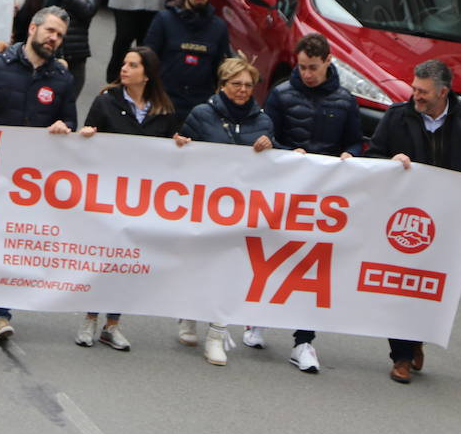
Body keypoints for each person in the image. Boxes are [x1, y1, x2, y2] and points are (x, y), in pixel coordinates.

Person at [356, 58, 461, 383]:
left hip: (447, 220)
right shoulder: (397, 116)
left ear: (444, 92)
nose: (416, 95)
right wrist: (391, 160)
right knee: (401, 284)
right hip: (404, 220)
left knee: (431, 285)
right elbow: (372, 155)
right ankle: (400, 355)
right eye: (414, 88)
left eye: (423, 91)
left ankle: (416, 339)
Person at [245, 31, 363, 374]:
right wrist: (286, 152)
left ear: (328, 62)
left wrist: (348, 155)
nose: (307, 73)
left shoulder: (345, 101)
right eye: (302, 67)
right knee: (272, 257)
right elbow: (268, 136)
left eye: (313, 67)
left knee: (314, 266)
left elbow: (356, 142)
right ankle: (257, 320)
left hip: (325, 197)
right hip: (286, 191)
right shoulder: (281, 95)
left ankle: (303, 341)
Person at [0, 6, 76, 342]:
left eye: (59, 35)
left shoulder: (62, 79)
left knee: (12, 240)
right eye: (50, 31)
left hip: (32, 180)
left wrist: (66, 127)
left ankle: (0, 312)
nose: (54, 38)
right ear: (32, 28)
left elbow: (70, 121)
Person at [174, 57, 276, 366]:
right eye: (237, 84)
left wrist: (271, 145)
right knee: (199, 265)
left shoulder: (263, 121)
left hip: (242, 211)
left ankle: (217, 335)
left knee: (231, 271)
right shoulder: (202, 115)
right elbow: (181, 154)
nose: (244, 90)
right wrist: (181, 144)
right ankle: (188, 316)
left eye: (248, 85)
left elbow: (276, 166)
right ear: (222, 85)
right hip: (204, 207)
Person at [75, 45, 179, 350]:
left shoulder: (164, 111)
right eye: (124, 63)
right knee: (103, 258)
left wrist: (179, 144)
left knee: (126, 262)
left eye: (132, 65)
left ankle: (112, 324)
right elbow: (88, 140)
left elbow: (169, 153)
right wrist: (87, 136)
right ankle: (90, 318)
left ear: (146, 75)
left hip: (141, 199)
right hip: (108, 195)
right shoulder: (106, 102)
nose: (124, 69)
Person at [142, 0, 230, 124]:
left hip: (199, 105)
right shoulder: (164, 19)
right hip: (164, 100)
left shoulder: (219, 27)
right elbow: (148, 58)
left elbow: (222, 68)